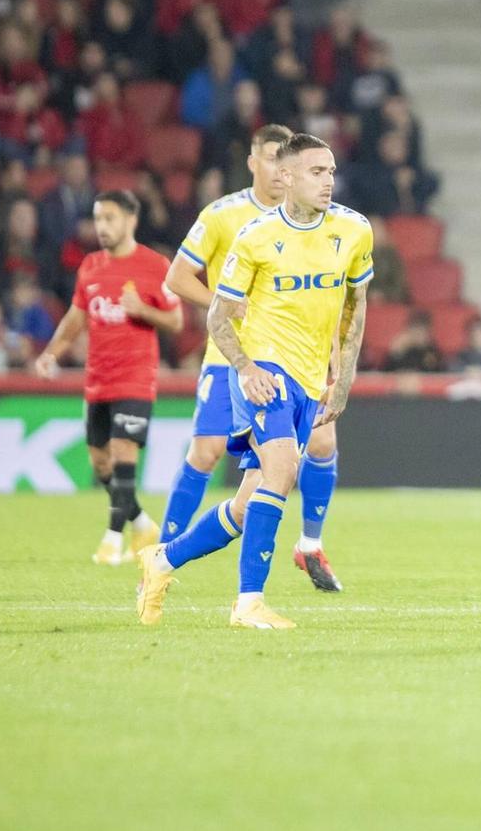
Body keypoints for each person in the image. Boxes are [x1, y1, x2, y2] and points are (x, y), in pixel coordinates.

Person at [135, 134, 374, 629]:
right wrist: (246, 368)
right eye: (316, 172)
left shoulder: (353, 230)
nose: (328, 181)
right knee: (282, 471)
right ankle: (248, 603)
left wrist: (344, 378)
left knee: (247, 505)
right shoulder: (255, 237)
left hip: (310, 379)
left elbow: (355, 307)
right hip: (264, 373)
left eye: (330, 172)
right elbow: (218, 318)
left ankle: (161, 561)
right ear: (287, 177)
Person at [32, 190, 181, 566]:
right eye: (98, 219)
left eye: (110, 218)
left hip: (135, 377)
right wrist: (51, 352)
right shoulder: (91, 267)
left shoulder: (155, 265)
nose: (102, 226)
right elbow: (74, 319)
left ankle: (113, 539)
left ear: (131, 219)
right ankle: (143, 523)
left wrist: (142, 310)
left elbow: (176, 321)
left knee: (122, 453)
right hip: (97, 379)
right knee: (101, 464)